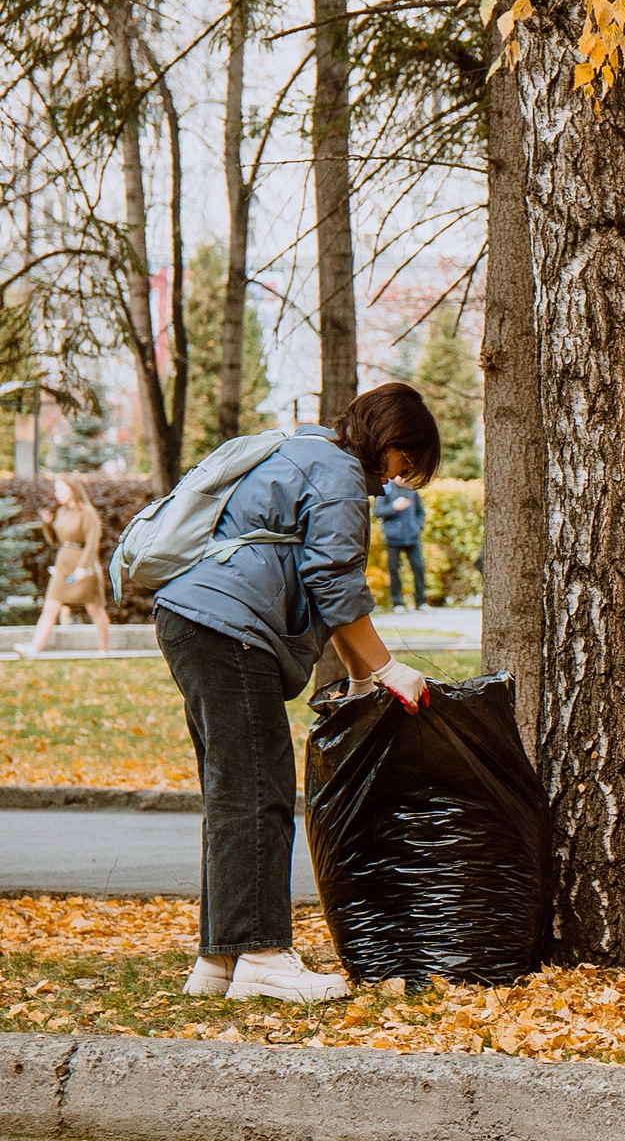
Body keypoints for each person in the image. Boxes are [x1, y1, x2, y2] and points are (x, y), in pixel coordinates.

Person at [155, 382, 439, 1004]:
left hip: (191, 619)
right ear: (390, 442)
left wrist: (361, 675)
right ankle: (262, 957)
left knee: (234, 793)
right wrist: (387, 669)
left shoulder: (304, 448)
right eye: (405, 464)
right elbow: (333, 578)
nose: (398, 480)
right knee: (260, 792)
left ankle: (218, 962)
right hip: (228, 629)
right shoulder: (337, 471)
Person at [15, 476, 112, 658]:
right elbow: (55, 541)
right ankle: (34, 649)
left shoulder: (87, 514)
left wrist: (83, 568)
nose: (57, 494)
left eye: (61, 489)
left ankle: (104, 651)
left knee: (95, 609)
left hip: (84, 568)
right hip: (63, 565)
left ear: (72, 490)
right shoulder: (61, 512)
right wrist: (47, 524)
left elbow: (92, 544)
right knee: (50, 607)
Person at [374, 479, 427, 612]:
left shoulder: (412, 490)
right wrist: (394, 507)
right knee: (394, 570)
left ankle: (421, 602)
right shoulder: (386, 490)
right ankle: (397, 603)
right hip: (393, 538)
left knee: (419, 568)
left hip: (412, 537)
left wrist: (417, 525)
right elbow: (378, 511)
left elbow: (420, 511)